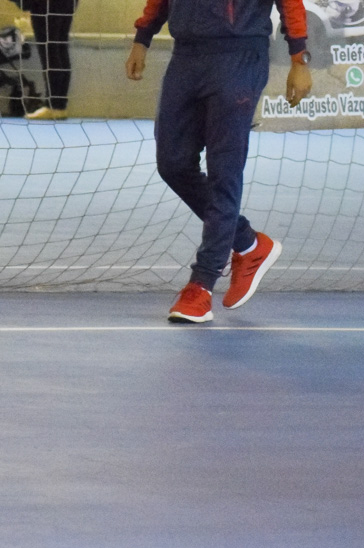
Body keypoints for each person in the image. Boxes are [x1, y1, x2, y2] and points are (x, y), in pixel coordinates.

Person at [125, 0, 313, 323]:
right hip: (186, 56)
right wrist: (142, 38)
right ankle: (247, 243)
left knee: (224, 172)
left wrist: (300, 58)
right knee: (172, 162)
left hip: (239, 56)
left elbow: (290, 2)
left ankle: (202, 285)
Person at [10, 0, 77, 119]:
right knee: (60, 47)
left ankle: (53, 106)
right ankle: (60, 106)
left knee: (50, 50)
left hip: (46, 5)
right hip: (67, 4)